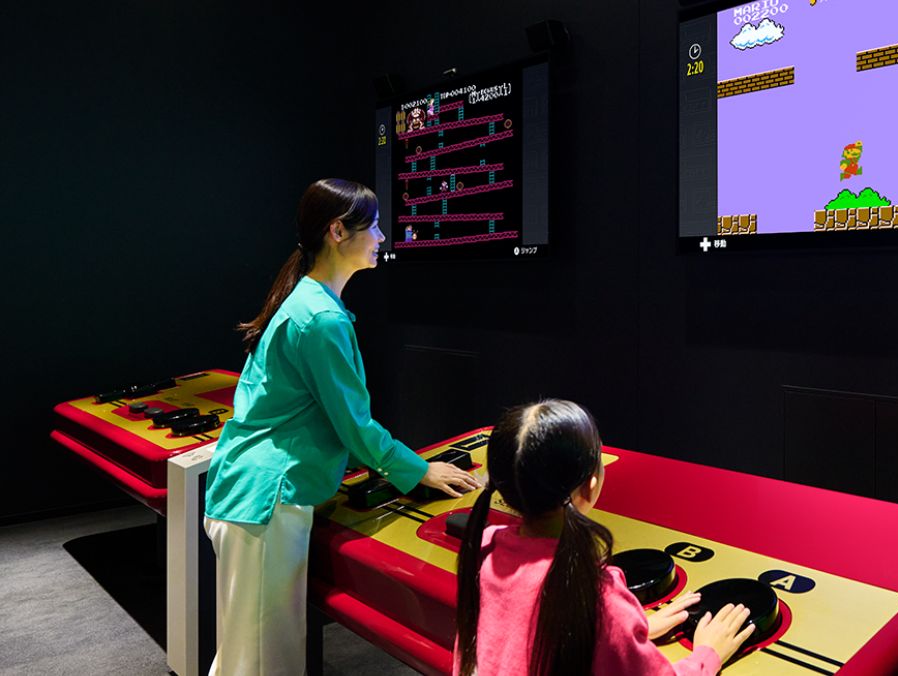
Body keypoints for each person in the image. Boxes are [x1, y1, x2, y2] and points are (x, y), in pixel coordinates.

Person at [203, 178, 481, 675]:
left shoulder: (307, 303)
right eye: (372, 225)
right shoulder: (320, 319)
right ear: (337, 231)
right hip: (268, 499)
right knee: (264, 664)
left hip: (251, 494)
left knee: (247, 656)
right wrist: (419, 471)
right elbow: (354, 426)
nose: (380, 236)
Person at [454, 399, 754, 675]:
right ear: (590, 485)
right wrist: (708, 652)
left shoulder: (485, 547)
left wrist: (631, 629)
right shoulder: (597, 597)